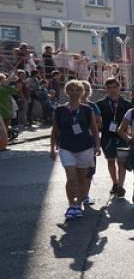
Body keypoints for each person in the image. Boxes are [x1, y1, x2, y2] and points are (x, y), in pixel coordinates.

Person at [49, 80, 101, 220]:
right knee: (71, 177)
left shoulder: (87, 109)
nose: (74, 92)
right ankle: (72, 205)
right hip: (66, 147)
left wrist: (97, 145)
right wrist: (52, 149)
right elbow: (55, 130)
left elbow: (94, 130)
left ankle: (78, 204)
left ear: (82, 92)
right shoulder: (60, 110)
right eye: (71, 89)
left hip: (85, 147)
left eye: (77, 90)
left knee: (83, 179)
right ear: (67, 92)